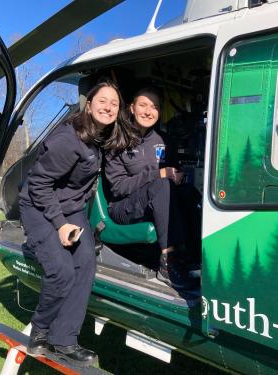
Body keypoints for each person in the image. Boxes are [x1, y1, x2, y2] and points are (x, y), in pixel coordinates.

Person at [19, 80, 137, 367]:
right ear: (89, 103)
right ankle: (40, 330)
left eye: (114, 103)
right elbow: (38, 184)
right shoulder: (68, 139)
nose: (108, 107)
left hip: (70, 209)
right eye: (102, 100)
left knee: (85, 264)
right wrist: (59, 224)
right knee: (61, 272)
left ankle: (64, 341)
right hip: (38, 206)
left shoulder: (100, 139)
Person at [104, 86, 201, 290]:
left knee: (189, 192)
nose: (149, 111)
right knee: (161, 185)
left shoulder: (163, 140)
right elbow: (118, 188)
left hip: (156, 200)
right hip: (123, 207)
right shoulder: (117, 140)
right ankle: (167, 264)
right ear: (131, 108)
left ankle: (194, 256)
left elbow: (172, 172)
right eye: (143, 105)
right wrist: (159, 174)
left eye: (154, 107)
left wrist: (178, 176)